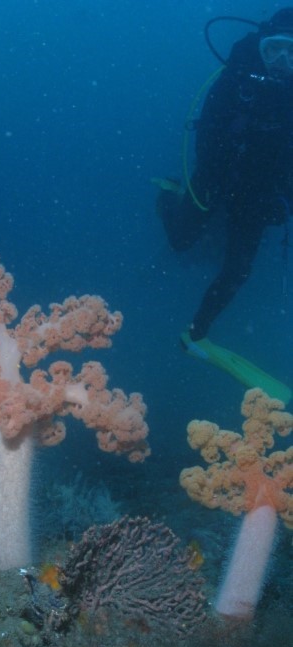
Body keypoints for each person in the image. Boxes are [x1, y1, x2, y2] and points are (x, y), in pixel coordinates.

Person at [156, 8, 293, 398]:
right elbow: (208, 135)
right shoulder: (236, 79)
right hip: (218, 179)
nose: (282, 61)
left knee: (238, 271)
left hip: (260, 194)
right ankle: (167, 192)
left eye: (292, 52)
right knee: (181, 241)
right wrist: (218, 185)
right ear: (261, 48)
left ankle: (196, 333)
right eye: (275, 50)